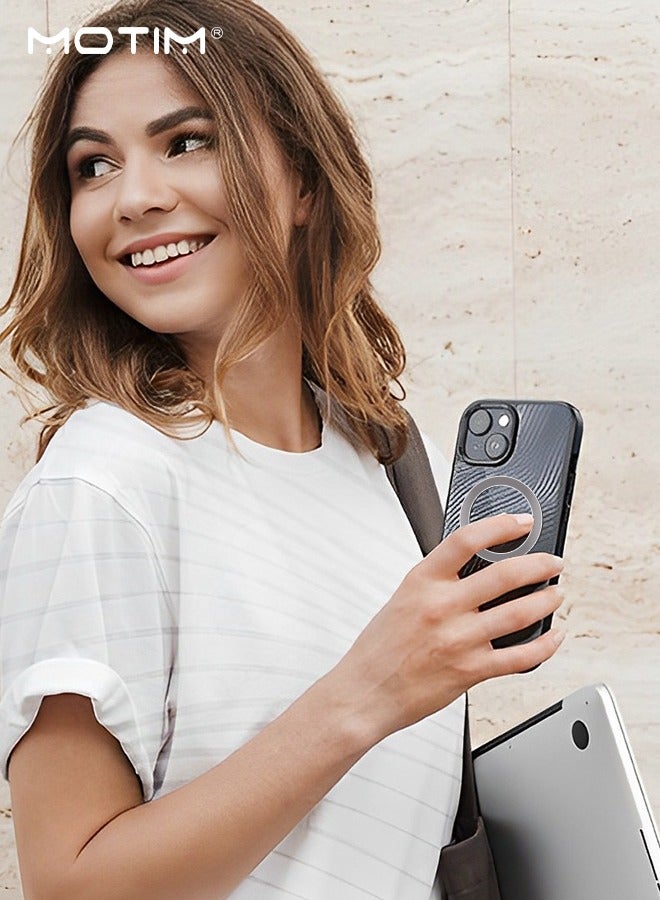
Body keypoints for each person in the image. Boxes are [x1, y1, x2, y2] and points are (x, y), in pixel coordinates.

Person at [0, 1, 566, 898]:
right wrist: (368, 693)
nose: (134, 197)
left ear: (302, 179)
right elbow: (71, 886)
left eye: (186, 142)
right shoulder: (103, 483)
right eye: (93, 165)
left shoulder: (387, 466)